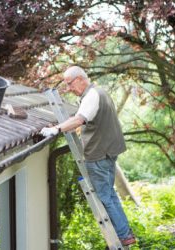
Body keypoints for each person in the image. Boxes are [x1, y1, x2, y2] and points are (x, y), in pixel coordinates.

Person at [40, 66, 136, 246]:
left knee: (105, 197)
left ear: (79, 79)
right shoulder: (99, 93)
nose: (68, 88)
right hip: (108, 152)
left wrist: (56, 129)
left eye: (69, 84)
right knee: (110, 195)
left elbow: (79, 119)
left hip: (98, 155)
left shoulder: (92, 96)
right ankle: (125, 232)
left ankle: (122, 235)